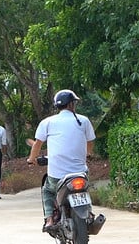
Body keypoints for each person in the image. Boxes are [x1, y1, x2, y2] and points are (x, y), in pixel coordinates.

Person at [27, 89, 95, 228]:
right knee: (85, 187)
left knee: (47, 190)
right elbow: (90, 143)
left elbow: (37, 145)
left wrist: (31, 159)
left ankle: (50, 219)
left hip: (57, 176)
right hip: (80, 173)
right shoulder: (83, 121)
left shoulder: (47, 122)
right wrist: (88, 154)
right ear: (71, 105)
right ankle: (89, 213)